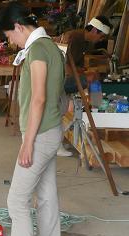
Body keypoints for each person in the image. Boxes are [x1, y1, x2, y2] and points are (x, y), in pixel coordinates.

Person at [0, 2, 65, 236]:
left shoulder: (37, 50)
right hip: (50, 131)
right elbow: (58, 97)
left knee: (17, 201)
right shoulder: (52, 47)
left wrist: (28, 142)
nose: (11, 42)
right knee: (46, 194)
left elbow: (39, 99)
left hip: (41, 135)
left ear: (20, 27)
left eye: (10, 36)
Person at [56, 15, 112, 157]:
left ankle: (96, 108)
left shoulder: (85, 40)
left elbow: (76, 65)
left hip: (64, 75)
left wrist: (84, 72)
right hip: (59, 79)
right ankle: (97, 111)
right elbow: (67, 66)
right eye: (101, 37)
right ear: (94, 30)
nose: (101, 40)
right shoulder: (76, 38)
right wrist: (85, 76)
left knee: (94, 75)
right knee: (93, 77)